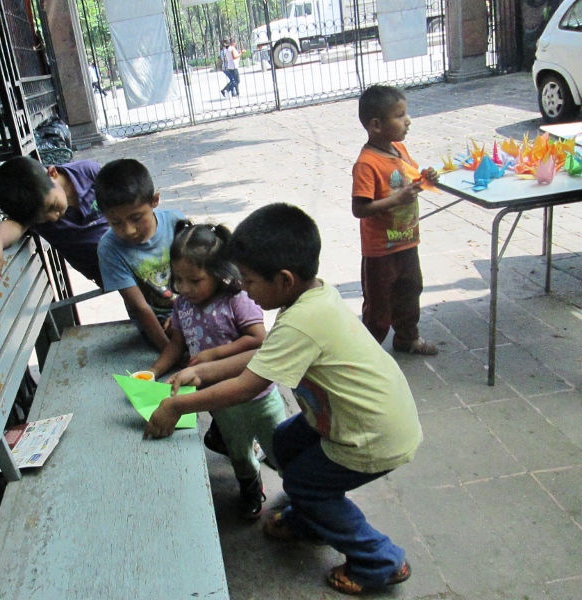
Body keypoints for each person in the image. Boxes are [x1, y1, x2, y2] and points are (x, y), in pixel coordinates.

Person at [144, 203, 421, 595]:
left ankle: (379, 560)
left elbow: (248, 385)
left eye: (249, 280)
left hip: (372, 435)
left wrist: (176, 405)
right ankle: (312, 522)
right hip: (358, 416)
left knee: (306, 484)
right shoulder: (311, 298)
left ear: (285, 279)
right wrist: (205, 371)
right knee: (286, 442)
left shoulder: (301, 321)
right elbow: (266, 356)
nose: (243, 288)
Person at [146, 221, 286, 519]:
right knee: (238, 454)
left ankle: (299, 495)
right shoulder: (182, 305)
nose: (184, 288)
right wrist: (154, 371)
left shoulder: (238, 300)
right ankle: (250, 487)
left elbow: (258, 339)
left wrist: (214, 354)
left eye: (194, 280)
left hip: (259, 397)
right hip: (219, 402)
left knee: (282, 451)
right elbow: (176, 344)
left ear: (219, 272)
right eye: (178, 279)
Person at [352, 84, 439, 355]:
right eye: (400, 116)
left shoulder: (399, 149)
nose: (408, 120)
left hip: (407, 241)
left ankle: (407, 338)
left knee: (410, 291)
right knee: (379, 306)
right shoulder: (367, 163)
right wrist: (396, 200)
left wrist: (425, 179)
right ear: (376, 125)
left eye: (406, 114)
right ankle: (367, 354)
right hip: (381, 249)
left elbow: (409, 182)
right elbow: (360, 208)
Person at [95, 158, 186, 351]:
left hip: (191, 305)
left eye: (136, 218)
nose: (128, 230)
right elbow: (140, 308)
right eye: (115, 223)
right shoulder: (109, 248)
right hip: (158, 323)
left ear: (154, 201)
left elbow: (200, 272)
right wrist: (169, 351)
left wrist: (186, 312)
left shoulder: (176, 221)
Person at [0, 156, 108, 286]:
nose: (53, 217)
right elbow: (13, 225)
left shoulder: (87, 172)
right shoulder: (29, 210)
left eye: (52, 206)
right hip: (105, 271)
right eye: (41, 217)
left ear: (53, 173)